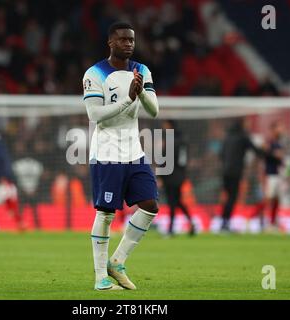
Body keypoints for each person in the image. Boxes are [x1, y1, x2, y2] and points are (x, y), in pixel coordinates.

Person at [82, 22, 159, 291]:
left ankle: (118, 261)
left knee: (150, 204)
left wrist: (140, 93)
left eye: (132, 40)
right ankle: (101, 277)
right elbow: (94, 115)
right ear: (111, 43)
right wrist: (127, 100)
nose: (129, 44)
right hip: (106, 153)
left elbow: (154, 110)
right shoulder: (95, 73)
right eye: (123, 39)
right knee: (105, 214)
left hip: (133, 152)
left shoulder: (142, 70)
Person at [220, 119, 263, 231]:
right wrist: (268, 155)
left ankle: (224, 222)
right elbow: (256, 150)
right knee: (232, 198)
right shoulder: (243, 137)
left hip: (225, 172)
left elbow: (221, 154)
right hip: (235, 172)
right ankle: (225, 224)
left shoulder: (227, 137)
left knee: (228, 197)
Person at [160, 120, 196, 236]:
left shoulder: (171, 142)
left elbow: (164, 160)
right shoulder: (183, 142)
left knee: (172, 202)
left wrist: (160, 176)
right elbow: (183, 161)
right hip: (179, 176)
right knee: (177, 201)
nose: (164, 128)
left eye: (165, 126)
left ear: (170, 126)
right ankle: (191, 223)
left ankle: (170, 229)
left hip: (170, 176)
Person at [262, 121, 286, 231]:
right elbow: (264, 155)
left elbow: (281, 158)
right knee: (269, 198)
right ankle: (262, 221)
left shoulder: (279, 143)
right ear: (273, 130)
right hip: (270, 174)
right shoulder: (269, 142)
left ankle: (273, 222)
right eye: (279, 128)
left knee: (277, 199)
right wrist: (274, 154)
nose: (281, 130)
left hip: (278, 174)